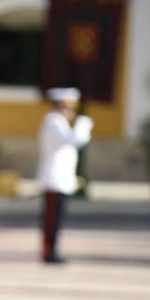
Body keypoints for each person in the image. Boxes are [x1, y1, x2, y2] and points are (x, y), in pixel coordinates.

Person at [37, 87, 92, 264]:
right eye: (69, 107)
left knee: (56, 219)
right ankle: (49, 252)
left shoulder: (57, 122)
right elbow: (75, 141)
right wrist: (84, 125)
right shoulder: (54, 122)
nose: (72, 112)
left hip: (60, 179)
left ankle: (52, 250)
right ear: (61, 107)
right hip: (54, 180)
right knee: (52, 219)